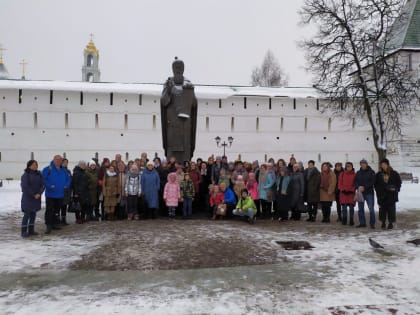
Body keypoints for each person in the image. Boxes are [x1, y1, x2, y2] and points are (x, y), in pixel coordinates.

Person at [42, 155, 71, 234]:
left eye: (60, 160)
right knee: (49, 210)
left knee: (57, 211)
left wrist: (66, 185)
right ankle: (48, 225)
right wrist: (49, 185)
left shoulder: (64, 170)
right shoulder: (48, 169)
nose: (58, 161)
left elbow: (68, 179)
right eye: (56, 159)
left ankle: (54, 224)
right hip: (50, 194)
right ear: (53, 160)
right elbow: (43, 179)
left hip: (60, 194)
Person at [374, 158, 401, 230]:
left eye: (384, 164)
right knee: (382, 210)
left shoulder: (394, 173)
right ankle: (383, 222)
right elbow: (375, 184)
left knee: (391, 210)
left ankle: (390, 223)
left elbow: (398, 183)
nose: (383, 166)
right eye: (382, 165)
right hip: (382, 195)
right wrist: (378, 191)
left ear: (388, 164)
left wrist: (394, 188)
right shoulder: (379, 174)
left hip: (391, 195)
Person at [20, 160, 45, 237]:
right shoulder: (25, 175)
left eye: (36, 165)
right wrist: (33, 194)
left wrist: (39, 193)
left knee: (33, 215)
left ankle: (31, 230)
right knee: (27, 215)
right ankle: (24, 231)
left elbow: (43, 185)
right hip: (28, 198)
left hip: (36, 198)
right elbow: (25, 187)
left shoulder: (39, 174)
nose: (35, 166)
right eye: (33, 165)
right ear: (29, 166)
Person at [355, 159, 376, 228]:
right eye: (361, 163)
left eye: (364, 163)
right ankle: (362, 223)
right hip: (360, 193)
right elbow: (355, 181)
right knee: (360, 209)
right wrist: (358, 186)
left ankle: (372, 223)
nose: (363, 164)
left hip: (369, 193)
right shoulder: (358, 172)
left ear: (367, 164)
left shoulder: (371, 172)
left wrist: (365, 187)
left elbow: (372, 182)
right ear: (360, 164)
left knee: (371, 208)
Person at [60, 158, 72, 225]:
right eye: (64, 162)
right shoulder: (59, 170)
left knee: (64, 206)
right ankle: (58, 220)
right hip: (60, 191)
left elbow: (70, 180)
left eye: (66, 162)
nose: (65, 163)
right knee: (59, 206)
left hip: (67, 191)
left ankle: (63, 220)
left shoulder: (68, 171)